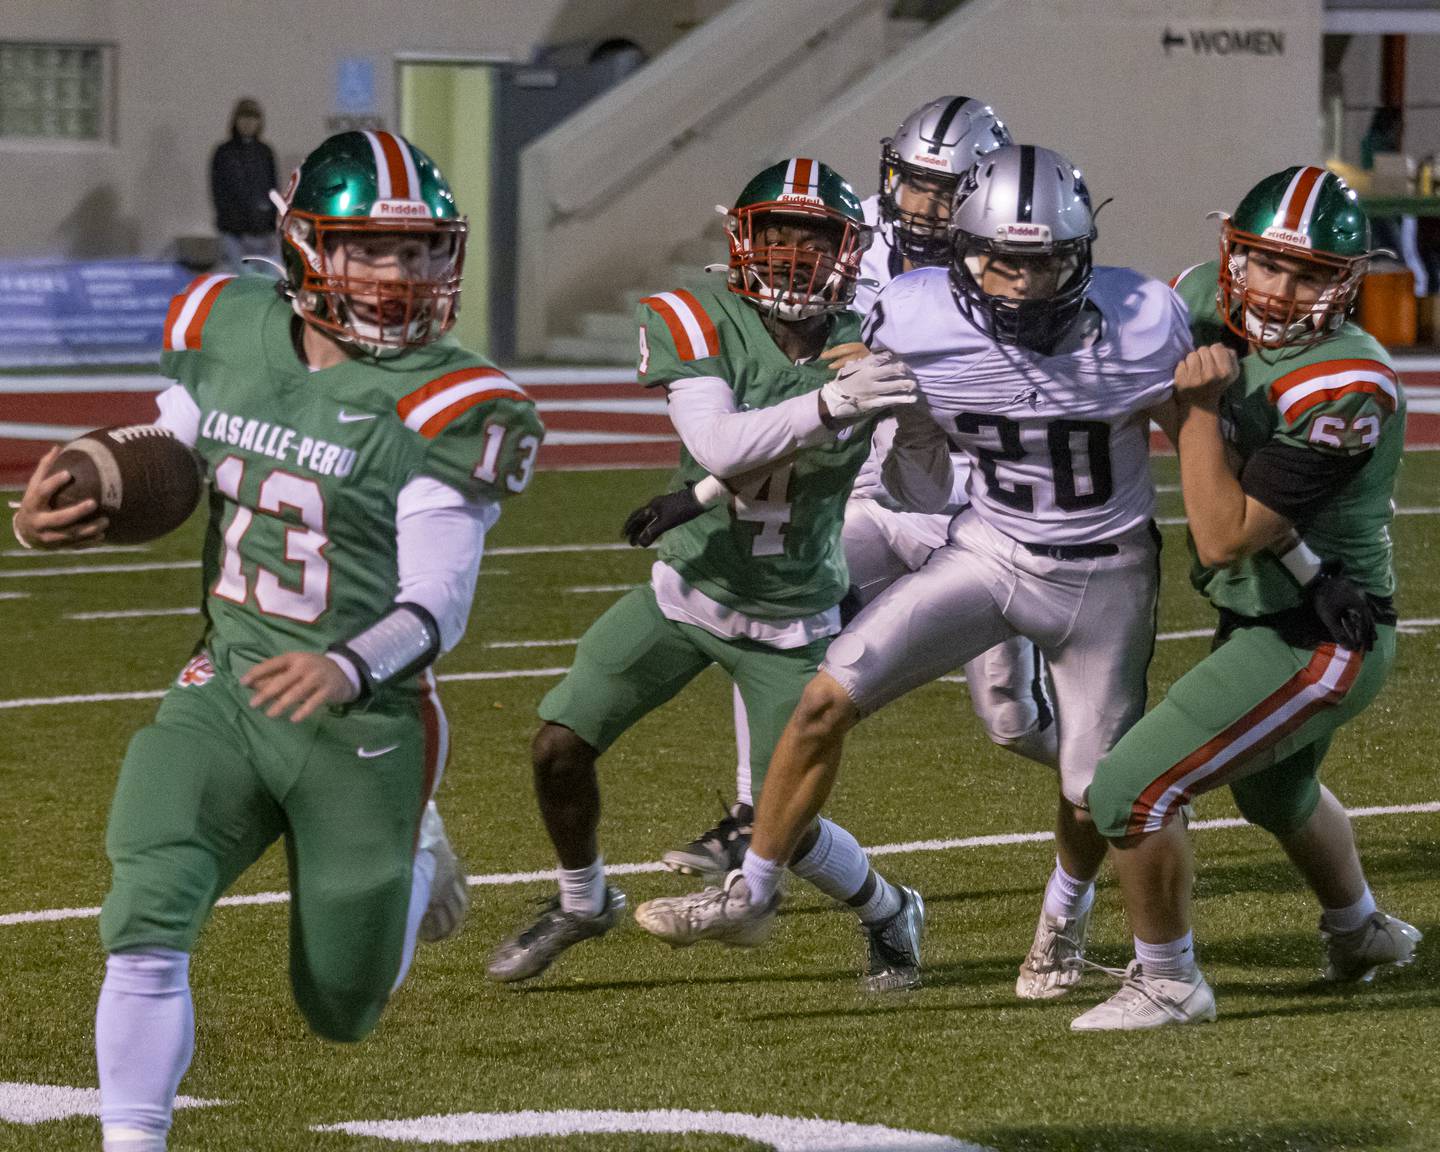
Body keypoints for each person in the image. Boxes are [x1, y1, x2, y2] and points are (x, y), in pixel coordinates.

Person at [12, 130, 543, 1152]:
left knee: (339, 1004)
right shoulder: (233, 327)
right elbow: (174, 434)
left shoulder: (456, 403)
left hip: (364, 715)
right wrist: (74, 494)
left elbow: (441, 597)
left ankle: (418, 858)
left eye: (422, 250)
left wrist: (346, 664)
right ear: (304, 247)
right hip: (227, 682)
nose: (401, 275)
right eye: (369, 250)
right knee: (145, 907)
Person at [634, 145, 1190, 1002]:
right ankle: (752, 889)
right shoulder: (916, 315)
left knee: (1092, 786)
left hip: (1104, 576)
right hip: (988, 548)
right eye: (1001, 262)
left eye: (1044, 264)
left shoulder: (1146, 318)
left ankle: (1063, 916)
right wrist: (717, 483)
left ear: (1081, 256)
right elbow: (893, 463)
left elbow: (1212, 397)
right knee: (826, 695)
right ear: (961, 255)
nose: (1021, 286)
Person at [487, 158, 946, 992]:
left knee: (787, 830)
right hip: (686, 595)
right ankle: (583, 899)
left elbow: (914, 483)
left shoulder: (878, 341)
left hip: (790, 619)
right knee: (558, 745)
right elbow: (727, 442)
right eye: (777, 236)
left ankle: (889, 908)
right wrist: (711, 486)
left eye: (814, 240)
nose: (795, 257)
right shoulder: (696, 317)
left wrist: (912, 417)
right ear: (740, 240)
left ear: (849, 250)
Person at [651, 97, 1057, 884]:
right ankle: (749, 814)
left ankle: (1113, 766)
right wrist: (712, 482)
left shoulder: (1018, 259)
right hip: (870, 487)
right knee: (779, 598)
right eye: (911, 186)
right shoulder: (849, 237)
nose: (923, 208)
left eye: (945, 192)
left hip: (977, 502)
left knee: (1011, 720)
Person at [1073, 166, 1421, 1031]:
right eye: (1265, 264)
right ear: (1233, 253)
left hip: (1318, 634)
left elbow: (1225, 534)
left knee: (1128, 792)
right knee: (1277, 795)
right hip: (1272, 607)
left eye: (1307, 274)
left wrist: (1195, 411)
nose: (1279, 289)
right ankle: (1361, 930)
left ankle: (1169, 980)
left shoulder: (1345, 385)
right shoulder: (1198, 298)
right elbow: (1097, 339)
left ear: (1345, 283)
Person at [210, 97, 281, 275]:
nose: (248, 123)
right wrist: (235, 228)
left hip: (265, 234)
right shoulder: (224, 153)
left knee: (270, 281)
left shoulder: (265, 152)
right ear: (235, 121)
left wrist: (273, 226)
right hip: (235, 235)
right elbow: (219, 194)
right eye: (244, 118)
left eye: (253, 119)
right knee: (244, 281)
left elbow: (273, 190)